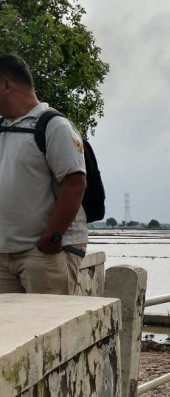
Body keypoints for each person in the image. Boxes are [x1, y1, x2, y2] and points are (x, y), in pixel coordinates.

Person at [0, 53, 88, 294]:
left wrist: (53, 238)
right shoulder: (4, 127)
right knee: (8, 330)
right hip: (4, 254)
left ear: (7, 85)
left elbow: (75, 183)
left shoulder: (53, 126)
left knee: (48, 326)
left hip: (44, 254)